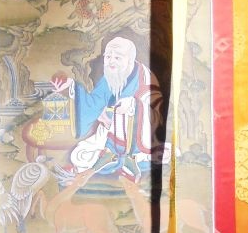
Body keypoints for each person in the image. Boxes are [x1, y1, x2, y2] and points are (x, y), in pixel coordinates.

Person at [51, 36, 164, 181]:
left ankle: (125, 160)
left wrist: (133, 105)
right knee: (79, 155)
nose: (111, 61)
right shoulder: (111, 76)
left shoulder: (145, 77)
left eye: (117, 58)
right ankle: (117, 160)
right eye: (108, 57)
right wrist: (72, 85)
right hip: (109, 131)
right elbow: (94, 103)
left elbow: (157, 112)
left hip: (138, 137)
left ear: (130, 60)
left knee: (147, 157)